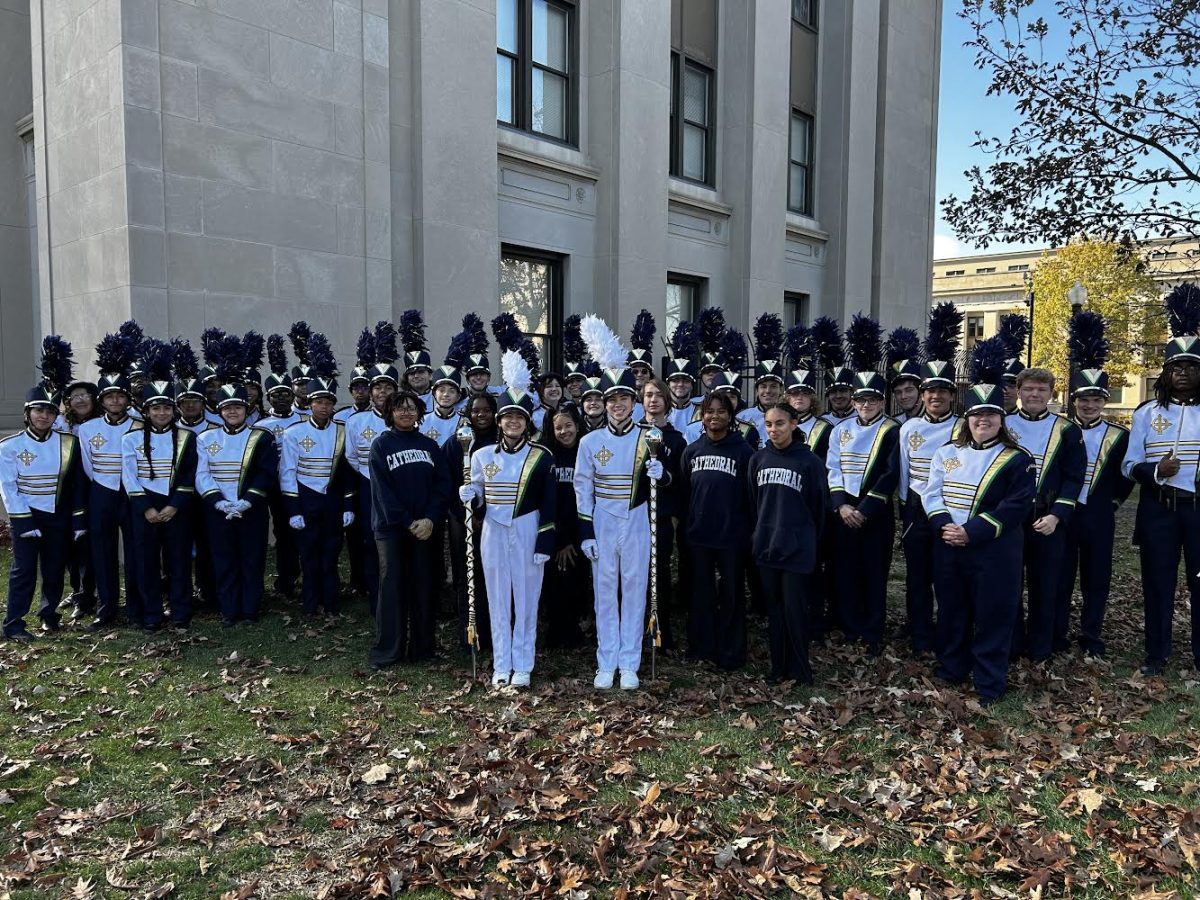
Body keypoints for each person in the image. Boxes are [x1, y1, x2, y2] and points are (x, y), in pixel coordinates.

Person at [924, 336, 1035, 704]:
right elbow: (931, 493)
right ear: (967, 418)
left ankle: (989, 681)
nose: (982, 420)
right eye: (976, 415)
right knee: (952, 609)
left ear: (1000, 419)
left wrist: (970, 532)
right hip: (949, 544)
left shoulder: (1017, 458)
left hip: (994, 550)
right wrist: (945, 527)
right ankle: (952, 667)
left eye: (989, 415)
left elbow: (1016, 506)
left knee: (993, 615)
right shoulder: (946, 452)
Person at [574, 315, 666, 690]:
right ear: (603, 402)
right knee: (604, 589)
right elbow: (582, 489)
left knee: (633, 586)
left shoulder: (652, 436)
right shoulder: (589, 442)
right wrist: (586, 533)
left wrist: (663, 472)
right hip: (603, 518)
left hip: (637, 518)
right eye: (611, 399)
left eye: (624, 398)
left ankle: (630, 662)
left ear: (634, 401)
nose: (617, 405)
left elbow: (667, 484)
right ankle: (605, 659)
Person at [460, 351, 556, 687]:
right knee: (497, 598)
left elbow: (550, 504)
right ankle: (502, 664)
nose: (512, 422)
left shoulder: (542, 457)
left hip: (528, 528)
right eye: (507, 417)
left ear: (528, 421)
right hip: (493, 530)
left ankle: (523, 666)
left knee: (527, 599)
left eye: (519, 417)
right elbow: (479, 493)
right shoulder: (481, 454)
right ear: (499, 421)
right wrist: (471, 495)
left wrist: (545, 541)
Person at [1122, 284, 1200, 675]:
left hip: (1198, 510)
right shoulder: (1145, 412)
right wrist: (1155, 472)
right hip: (1159, 509)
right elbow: (1128, 464)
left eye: (1191, 366)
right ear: (1165, 373)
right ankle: (1157, 654)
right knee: (1157, 583)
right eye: (1176, 367)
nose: (1183, 373)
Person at [1055, 312, 1132, 658]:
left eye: (1096, 399)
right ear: (1074, 401)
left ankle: (1091, 636)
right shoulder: (1059, 430)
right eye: (1083, 399)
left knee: (1096, 578)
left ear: (1105, 400)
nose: (1089, 405)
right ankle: (1057, 632)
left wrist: (1113, 503)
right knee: (1061, 574)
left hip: (1099, 515)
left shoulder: (1119, 435)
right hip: (1065, 514)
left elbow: (1125, 475)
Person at [1, 337, 88, 641]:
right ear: (28, 413)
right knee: (23, 571)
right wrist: (22, 522)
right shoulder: (9, 446)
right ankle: (13, 624)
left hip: (58, 515)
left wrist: (77, 520)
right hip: (27, 516)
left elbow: (76, 484)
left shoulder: (68, 443)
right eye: (38, 410)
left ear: (56, 416)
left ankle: (48, 615)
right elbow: (8, 487)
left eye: (50, 412)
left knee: (53, 571)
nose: (44, 416)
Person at [825, 316, 900, 655]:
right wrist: (841, 504)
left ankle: (872, 631)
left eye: (872, 400)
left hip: (875, 512)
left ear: (882, 402)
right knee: (845, 570)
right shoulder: (840, 429)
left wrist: (865, 509)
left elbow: (890, 473)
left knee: (874, 572)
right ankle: (850, 625)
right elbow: (833, 467)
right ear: (853, 402)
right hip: (844, 510)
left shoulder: (893, 429)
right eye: (860, 400)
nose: (866, 405)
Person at [1005, 367, 1085, 662]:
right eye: (1028, 389)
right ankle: (1012, 643)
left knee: (1045, 584)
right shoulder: (1003, 424)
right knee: (1010, 582)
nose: (1035, 394)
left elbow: (1074, 477)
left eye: (1041, 390)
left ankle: (1041, 647)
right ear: (1019, 392)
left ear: (1051, 394)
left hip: (1048, 519)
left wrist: (1057, 515)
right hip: (1011, 519)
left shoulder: (1067, 429)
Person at [896, 304, 963, 653]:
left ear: (952, 395)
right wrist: (905, 508)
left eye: (942, 392)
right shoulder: (909, 427)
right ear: (923, 396)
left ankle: (947, 633)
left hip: (950, 512)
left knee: (947, 576)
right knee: (916, 577)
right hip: (915, 511)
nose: (935, 397)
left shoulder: (964, 428)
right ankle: (919, 633)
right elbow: (904, 472)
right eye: (929, 392)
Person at [368, 390, 451, 668]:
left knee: (423, 587)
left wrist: (429, 518)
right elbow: (382, 491)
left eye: (411, 408)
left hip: (426, 530)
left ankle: (423, 649)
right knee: (392, 588)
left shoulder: (429, 446)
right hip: (392, 530)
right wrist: (407, 522)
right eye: (400, 408)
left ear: (419, 413)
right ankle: (389, 651)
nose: (406, 413)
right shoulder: (381, 446)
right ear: (390, 413)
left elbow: (442, 485)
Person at [195, 352, 278, 627]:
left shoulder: (261, 437)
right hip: (217, 511)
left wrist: (246, 502)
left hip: (251, 510)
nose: (233, 412)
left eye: (238, 408)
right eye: (227, 408)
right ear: (220, 410)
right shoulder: (206, 438)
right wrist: (219, 502)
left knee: (252, 559)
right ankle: (229, 610)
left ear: (247, 409)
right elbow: (202, 474)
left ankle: (251, 609)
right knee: (224, 559)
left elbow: (267, 474)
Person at [748, 402, 829, 684]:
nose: (773, 430)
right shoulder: (758, 460)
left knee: (795, 609)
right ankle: (776, 666)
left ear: (794, 425)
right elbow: (753, 503)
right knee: (774, 610)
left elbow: (819, 508)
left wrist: (807, 541)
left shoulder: (810, 463)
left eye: (780, 423)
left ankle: (799, 668)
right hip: (767, 547)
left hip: (797, 549)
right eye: (768, 424)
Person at [280, 336, 356, 619]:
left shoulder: (341, 431)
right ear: (309, 404)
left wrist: (348, 505)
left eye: (328, 402)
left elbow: (347, 470)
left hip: (333, 503)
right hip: (306, 501)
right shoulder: (293, 433)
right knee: (308, 556)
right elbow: (287, 472)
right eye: (318, 402)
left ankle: (332, 602)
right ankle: (310, 604)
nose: (323, 407)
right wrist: (293, 510)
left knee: (331, 554)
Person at [122, 348, 198, 632]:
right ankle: (151, 613)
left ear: (173, 410)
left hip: (176, 507)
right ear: (147, 411)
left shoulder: (188, 438)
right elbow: (128, 477)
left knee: (179, 561)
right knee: (146, 563)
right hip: (145, 509)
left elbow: (191, 474)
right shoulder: (130, 440)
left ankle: (180, 612)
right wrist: (148, 509)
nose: (162, 413)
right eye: (156, 408)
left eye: (166, 408)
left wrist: (174, 505)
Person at [680, 390, 754, 670]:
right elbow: (686, 492)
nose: (714, 416)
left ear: (730, 416)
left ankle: (732, 652)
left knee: (732, 594)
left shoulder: (744, 451)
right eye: (709, 411)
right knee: (701, 594)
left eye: (721, 411)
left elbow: (750, 496)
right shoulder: (693, 450)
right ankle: (701, 647)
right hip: (699, 536)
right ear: (702, 416)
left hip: (732, 537)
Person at [77, 330, 144, 630]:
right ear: (101, 400)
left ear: (127, 399)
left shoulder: (142, 425)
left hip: (133, 494)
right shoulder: (88, 429)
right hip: (101, 492)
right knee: (102, 552)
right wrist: (104, 486)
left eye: (120, 395)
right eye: (109, 396)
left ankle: (135, 607)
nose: (115, 400)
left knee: (136, 550)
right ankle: (106, 609)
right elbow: (88, 466)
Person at [346, 326, 400, 609]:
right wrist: (371, 475)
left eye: (388, 386)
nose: (382, 392)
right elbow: (352, 457)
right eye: (377, 387)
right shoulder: (355, 422)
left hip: (399, 487)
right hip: (368, 485)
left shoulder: (407, 418)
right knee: (370, 540)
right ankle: (374, 597)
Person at [446, 392, 498, 652]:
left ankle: (492, 634)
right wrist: (465, 514)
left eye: (487, 410)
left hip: (494, 521)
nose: (481, 415)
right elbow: (446, 482)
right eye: (476, 410)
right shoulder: (457, 442)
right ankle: (469, 635)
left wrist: (484, 514)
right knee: (467, 578)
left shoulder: (502, 441)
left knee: (492, 577)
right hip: (462, 520)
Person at [256, 335, 306, 602]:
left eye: (287, 392)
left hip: (302, 482)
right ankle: (286, 578)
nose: (283, 398)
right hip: (274, 486)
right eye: (276, 394)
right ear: (269, 398)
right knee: (282, 532)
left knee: (303, 529)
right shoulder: (261, 426)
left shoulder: (304, 420)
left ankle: (308, 574)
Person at [640, 378, 687, 652]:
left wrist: (666, 476)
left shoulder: (675, 440)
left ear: (667, 402)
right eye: (648, 395)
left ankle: (660, 632)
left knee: (660, 574)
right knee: (637, 575)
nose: (653, 399)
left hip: (662, 517)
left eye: (658, 395)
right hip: (635, 514)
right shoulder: (634, 434)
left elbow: (681, 482)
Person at [541, 403, 589, 649]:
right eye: (558, 427)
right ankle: (556, 631)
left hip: (582, 531)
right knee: (555, 581)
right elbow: (545, 501)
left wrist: (574, 538)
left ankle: (575, 630)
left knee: (577, 579)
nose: (564, 431)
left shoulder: (587, 451)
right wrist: (561, 540)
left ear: (577, 426)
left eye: (568, 425)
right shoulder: (547, 455)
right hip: (554, 532)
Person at [60, 375, 99, 622]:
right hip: (64, 492)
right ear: (68, 402)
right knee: (69, 546)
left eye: (85, 395)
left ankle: (87, 596)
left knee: (86, 544)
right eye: (75, 397)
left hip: (91, 490)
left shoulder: (100, 425)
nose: (81, 400)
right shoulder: (61, 426)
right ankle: (76, 590)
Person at [739, 313, 786, 439]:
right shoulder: (743, 417)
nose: (768, 391)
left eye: (773, 386)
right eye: (763, 386)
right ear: (756, 390)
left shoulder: (789, 416)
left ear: (781, 389)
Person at [886, 327, 923, 424]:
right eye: (898, 392)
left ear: (920, 391)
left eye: (909, 390)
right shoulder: (894, 423)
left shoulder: (934, 421)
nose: (903, 396)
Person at [401, 310, 435, 411]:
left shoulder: (440, 398)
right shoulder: (400, 400)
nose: (416, 376)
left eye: (421, 372)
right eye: (412, 373)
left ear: (430, 375)